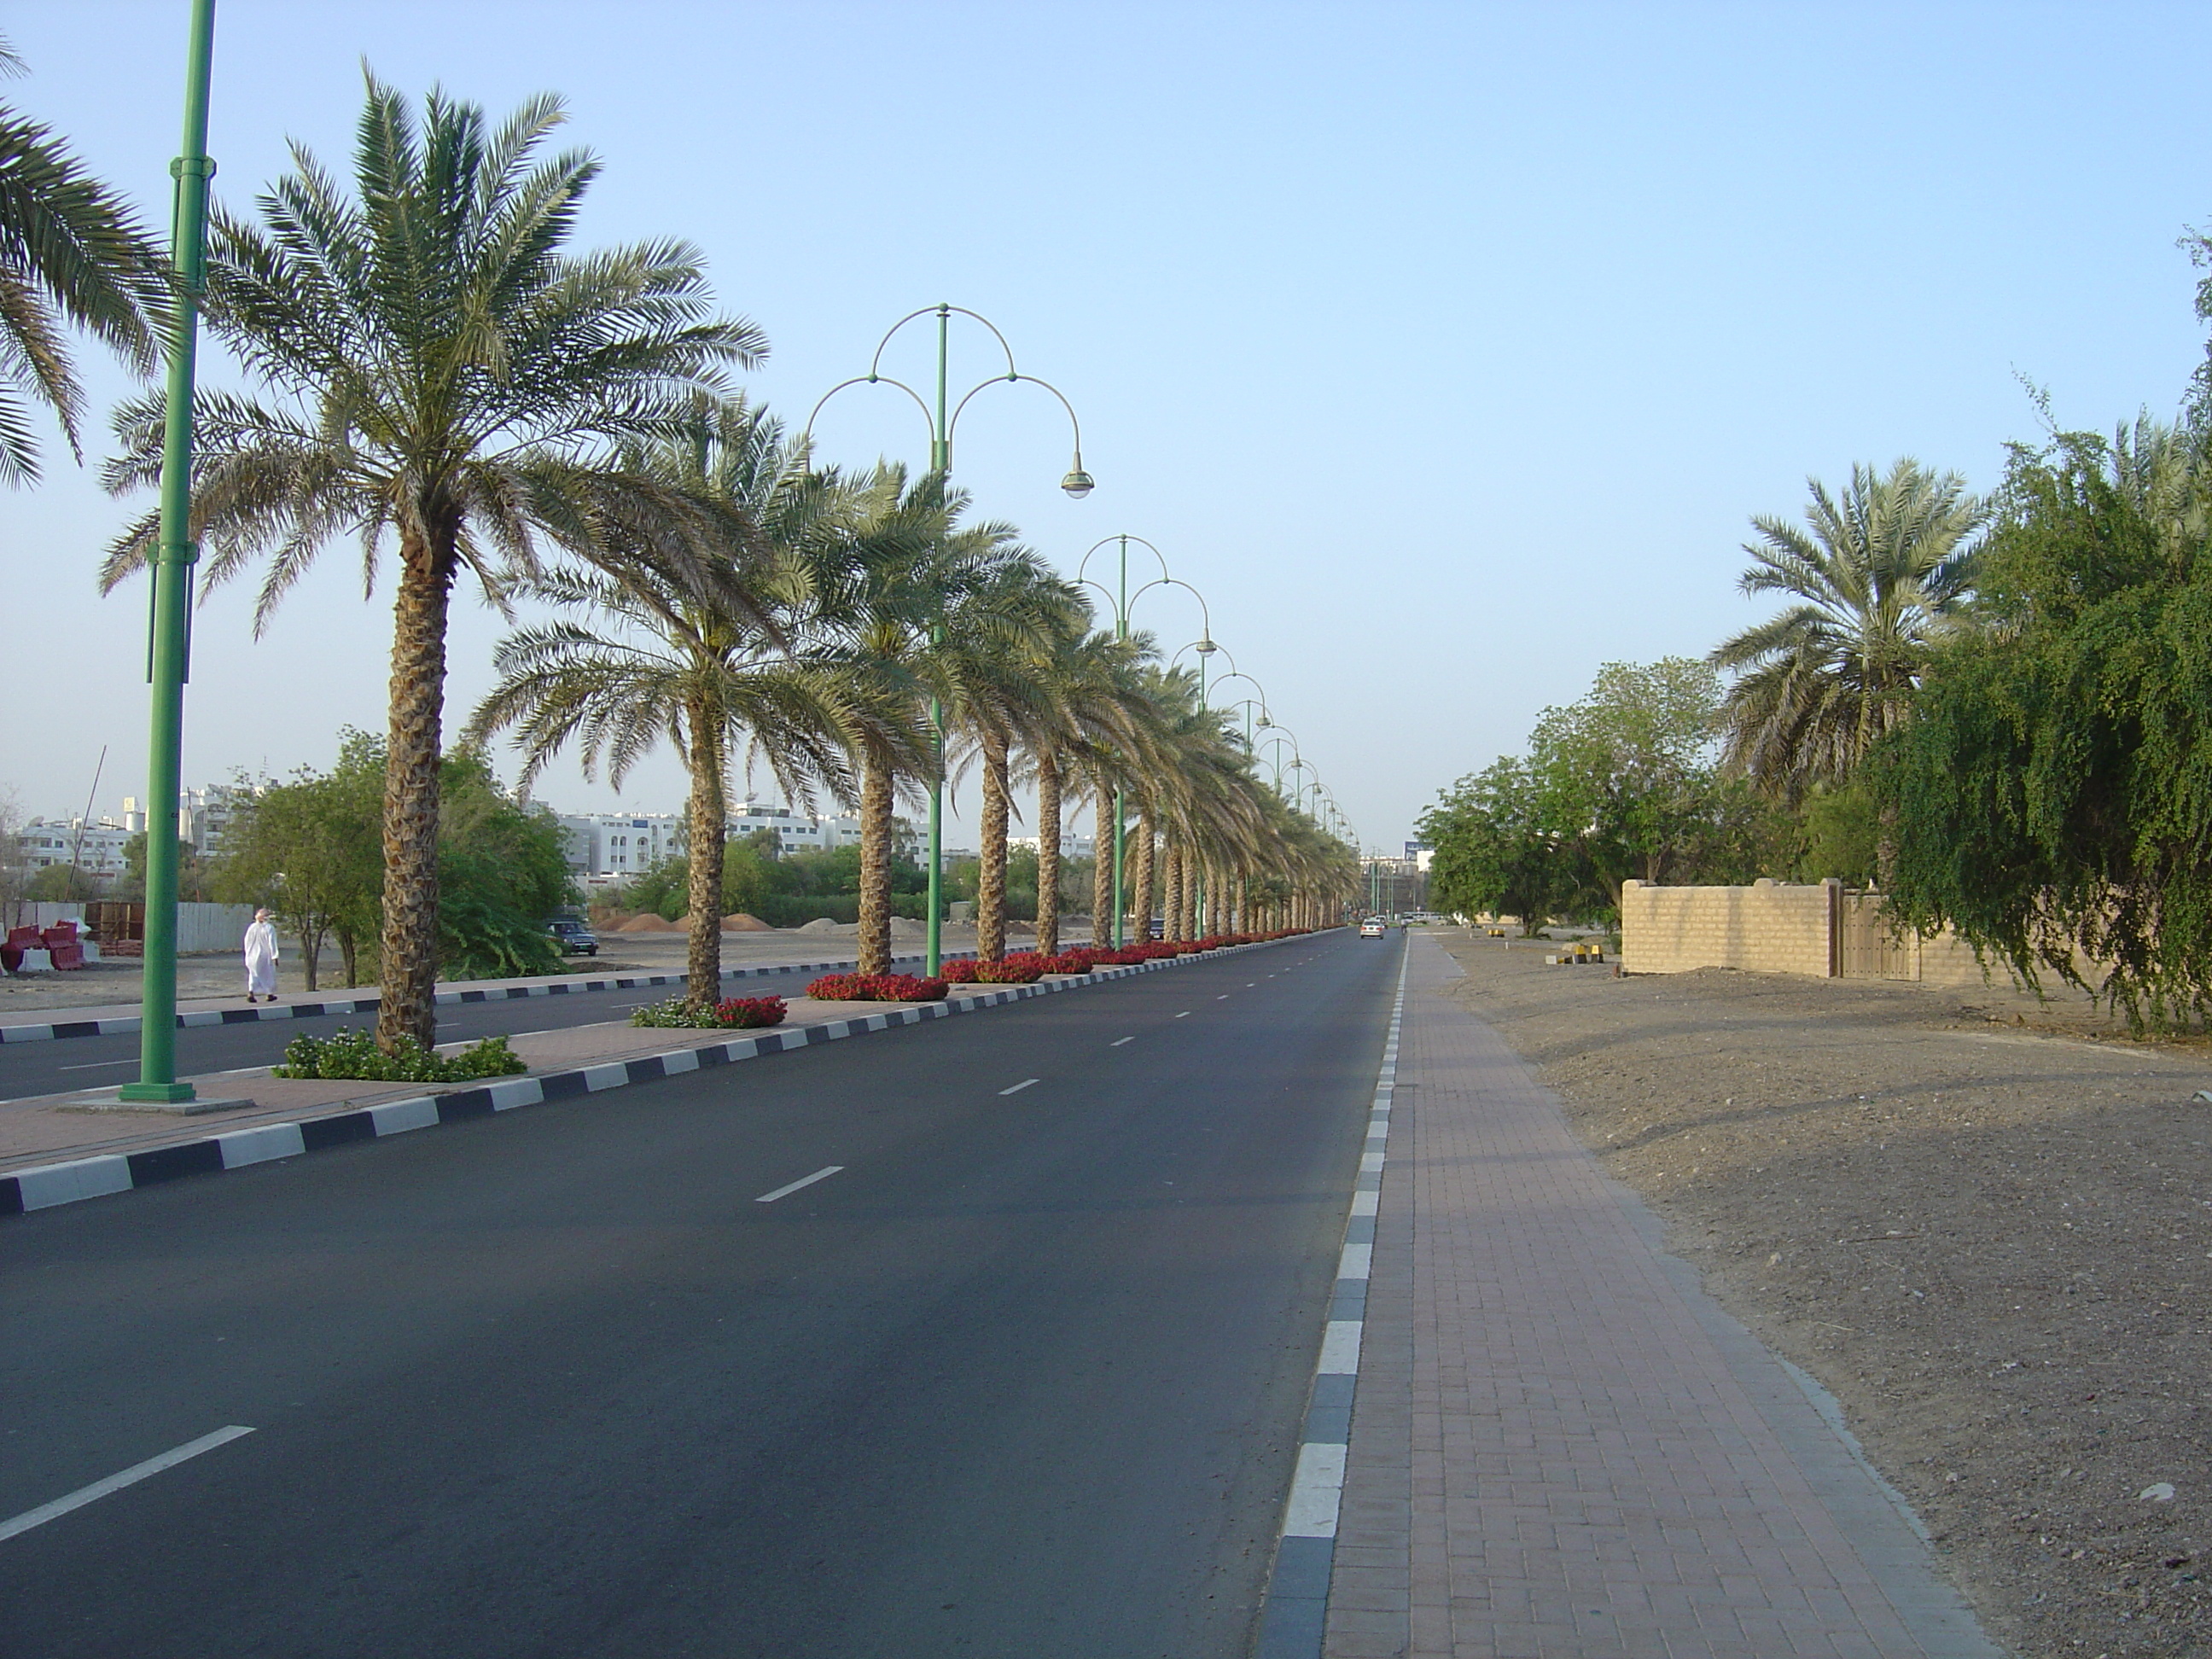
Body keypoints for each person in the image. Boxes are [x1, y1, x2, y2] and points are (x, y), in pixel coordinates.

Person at [243, 908, 279, 1003]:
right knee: (267, 974)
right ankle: (268, 994)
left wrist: (247, 953)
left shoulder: (251, 927)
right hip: (265, 956)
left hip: (251, 956)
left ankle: (252, 992)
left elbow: (246, 942)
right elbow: (272, 943)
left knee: (254, 974)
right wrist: (275, 956)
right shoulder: (269, 928)